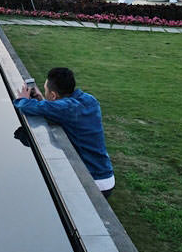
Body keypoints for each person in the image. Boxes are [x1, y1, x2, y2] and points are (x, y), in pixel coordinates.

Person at [14, 67, 115, 199]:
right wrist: (42, 100)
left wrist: (23, 99)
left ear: (54, 95)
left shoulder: (66, 108)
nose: (44, 92)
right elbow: (62, 109)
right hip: (106, 175)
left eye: (45, 90)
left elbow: (25, 106)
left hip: (93, 180)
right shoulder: (89, 99)